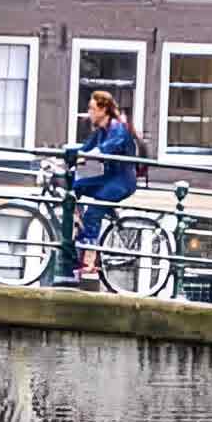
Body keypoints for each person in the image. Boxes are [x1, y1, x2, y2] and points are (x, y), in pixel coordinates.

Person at [66, 90, 140, 288]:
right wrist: (66, 159)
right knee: (74, 186)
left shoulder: (117, 129)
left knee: (94, 211)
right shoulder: (99, 130)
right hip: (107, 177)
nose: (88, 112)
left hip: (122, 181)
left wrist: (84, 157)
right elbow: (86, 149)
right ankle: (79, 228)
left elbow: (103, 150)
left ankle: (89, 263)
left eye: (91, 108)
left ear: (103, 109)